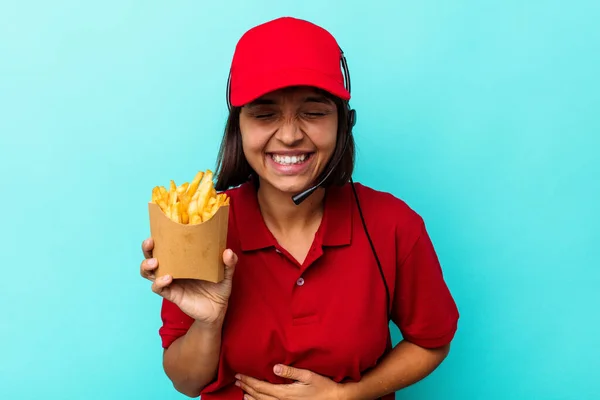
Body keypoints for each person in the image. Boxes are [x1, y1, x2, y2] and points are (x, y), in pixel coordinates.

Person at [140, 16, 459, 400]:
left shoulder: (393, 225)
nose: (290, 135)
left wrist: (348, 395)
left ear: (344, 123)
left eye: (313, 111)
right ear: (237, 128)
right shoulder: (201, 223)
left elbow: (432, 341)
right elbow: (185, 383)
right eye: (264, 113)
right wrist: (208, 322)